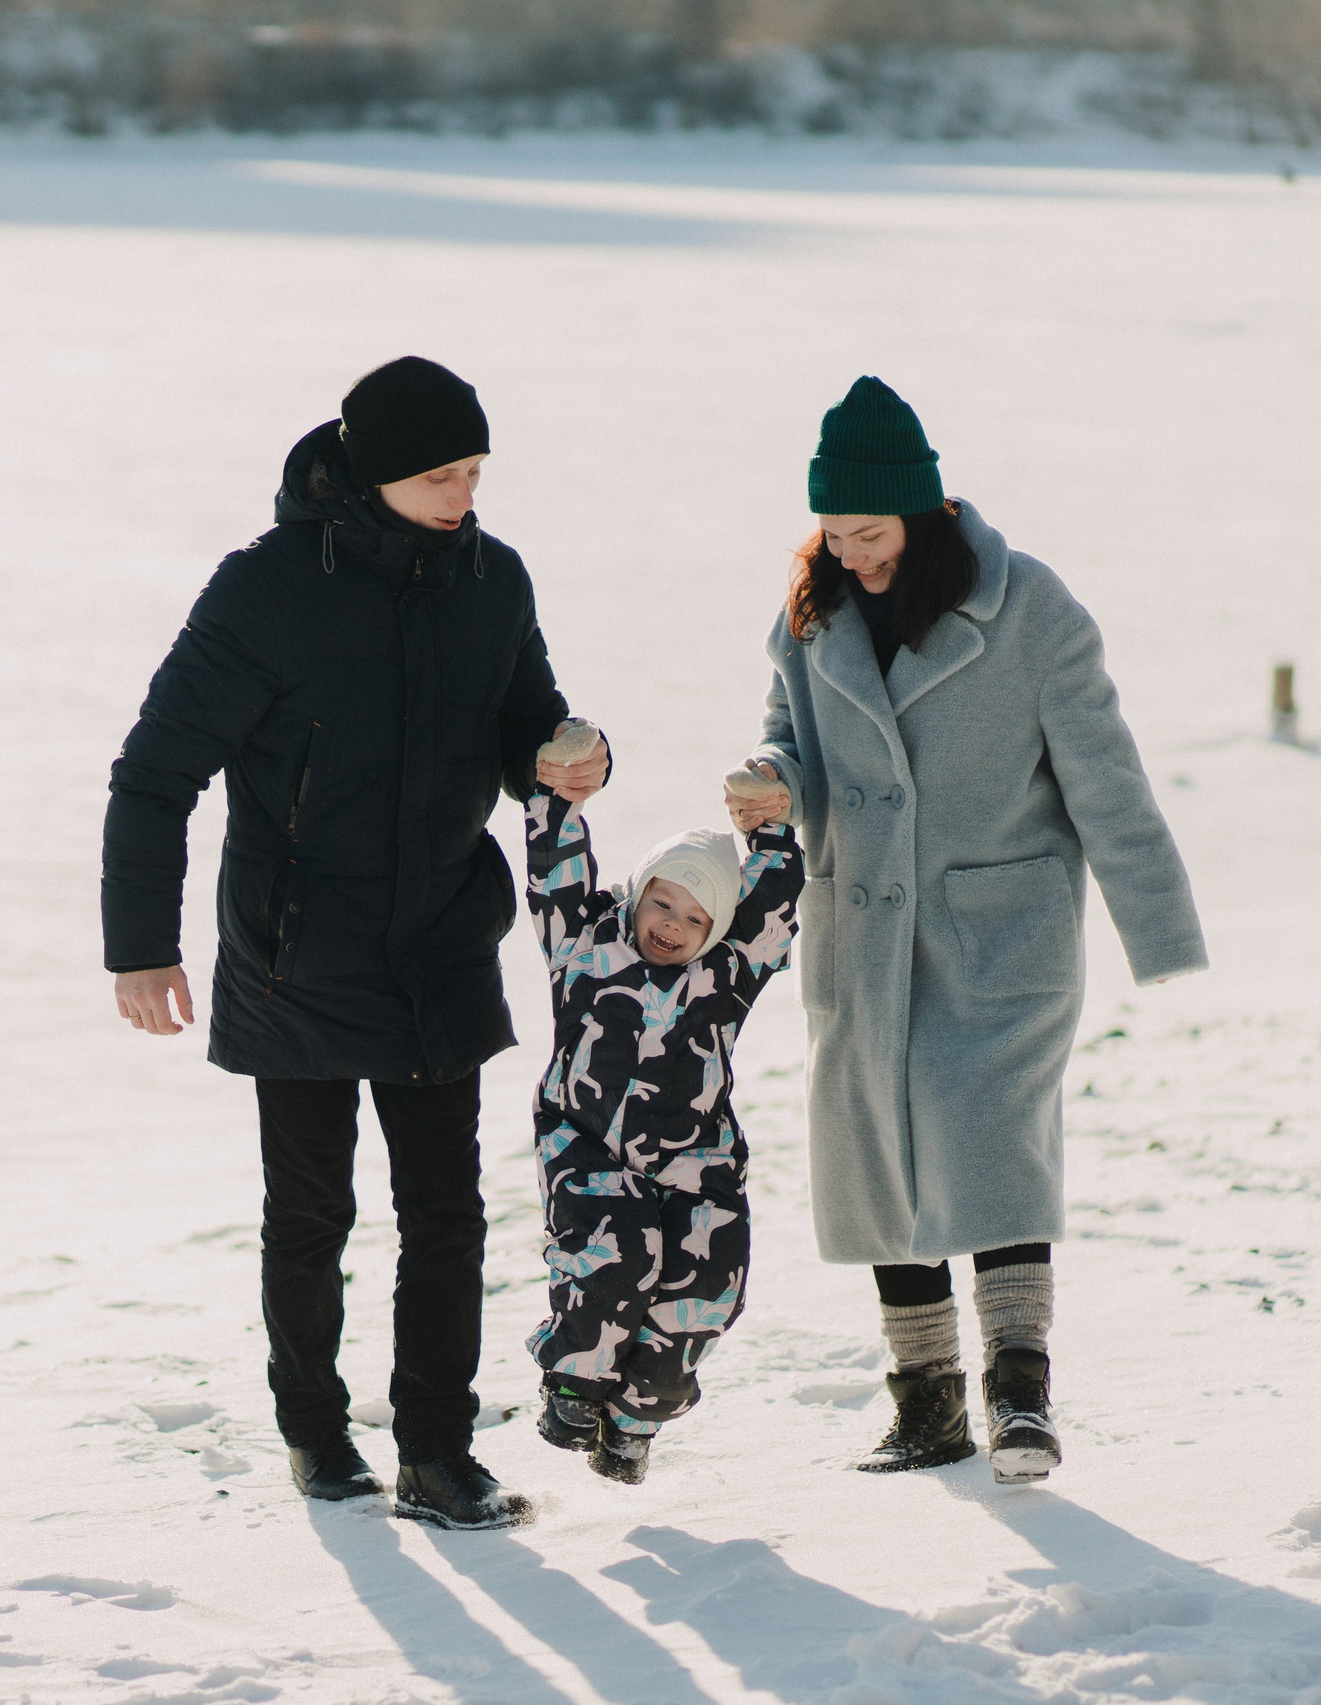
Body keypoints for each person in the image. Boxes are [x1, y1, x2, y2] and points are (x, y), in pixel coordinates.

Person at [101, 356, 608, 1531]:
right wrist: (142, 947)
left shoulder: (493, 578)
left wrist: (565, 755)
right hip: (298, 946)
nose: (461, 494)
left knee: (448, 1209)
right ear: (374, 473)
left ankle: (438, 1450)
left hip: (437, 935)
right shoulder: (268, 588)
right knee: (310, 1211)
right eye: (438, 473)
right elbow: (156, 773)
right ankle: (317, 1435)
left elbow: (524, 717)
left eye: (474, 471)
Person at [736, 377, 1206, 1483]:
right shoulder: (813, 614)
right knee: (877, 1161)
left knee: (988, 1140)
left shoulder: (1029, 609)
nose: (850, 553)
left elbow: (1107, 781)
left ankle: (1019, 1395)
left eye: (869, 531)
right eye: (833, 532)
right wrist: (772, 776)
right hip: (861, 932)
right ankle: (926, 1405)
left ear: (926, 511)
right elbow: (788, 737)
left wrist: (1160, 936)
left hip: (997, 932)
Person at [519, 721, 803, 1485]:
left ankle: (638, 1418)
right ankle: (576, 1384)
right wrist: (557, 798)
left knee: (707, 1289)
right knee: (617, 1258)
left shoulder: (727, 977)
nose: (671, 925)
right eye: (662, 903)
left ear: (715, 930)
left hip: (696, 1162)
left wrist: (771, 830)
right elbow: (555, 872)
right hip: (585, 1147)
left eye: (694, 917)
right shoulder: (584, 945)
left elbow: (773, 907)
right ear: (641, 893)